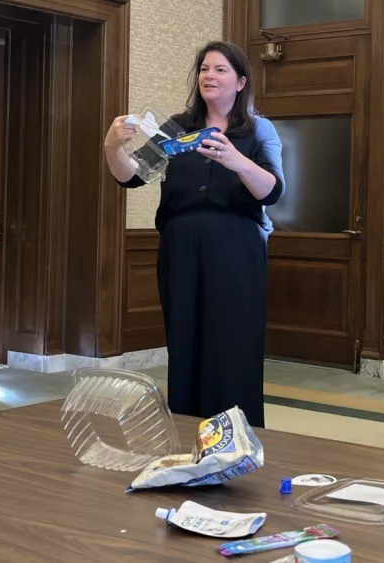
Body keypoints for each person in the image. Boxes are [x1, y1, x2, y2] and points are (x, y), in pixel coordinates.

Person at [103, 40, 285, 429]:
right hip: (180, 250)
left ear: (240, 82)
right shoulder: (175, 127)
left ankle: (238, 437)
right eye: (204, 69)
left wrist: (234, 159)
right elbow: (132, 176)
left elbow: (272, 189)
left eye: (220, 69)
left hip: (237, 252)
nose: (209, 76)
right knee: (185, 342)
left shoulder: (258, 130)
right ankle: (188, 432)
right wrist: (112, 147)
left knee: (233, 346)